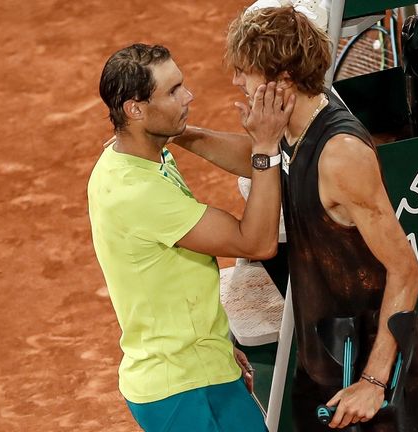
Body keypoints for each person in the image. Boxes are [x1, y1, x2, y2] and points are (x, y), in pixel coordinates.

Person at [172, 6, 418, 431]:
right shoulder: (294, 128)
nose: (237, 81)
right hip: (325, 358)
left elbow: (405, 269)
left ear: (283, 79)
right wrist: (184, 135)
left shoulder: (341, 155)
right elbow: (265, 162)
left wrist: (373, 381)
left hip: (369, 376)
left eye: (246, 71)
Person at [88, 43, 294, 432]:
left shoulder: (134, 154)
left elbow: (246, 162)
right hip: (180, 391)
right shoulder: (138, 193)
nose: (189, 96)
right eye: (172, 91)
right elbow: (256, 242)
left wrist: (215, 347)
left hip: (202, 366)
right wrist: (267, 146)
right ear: (135, 109)